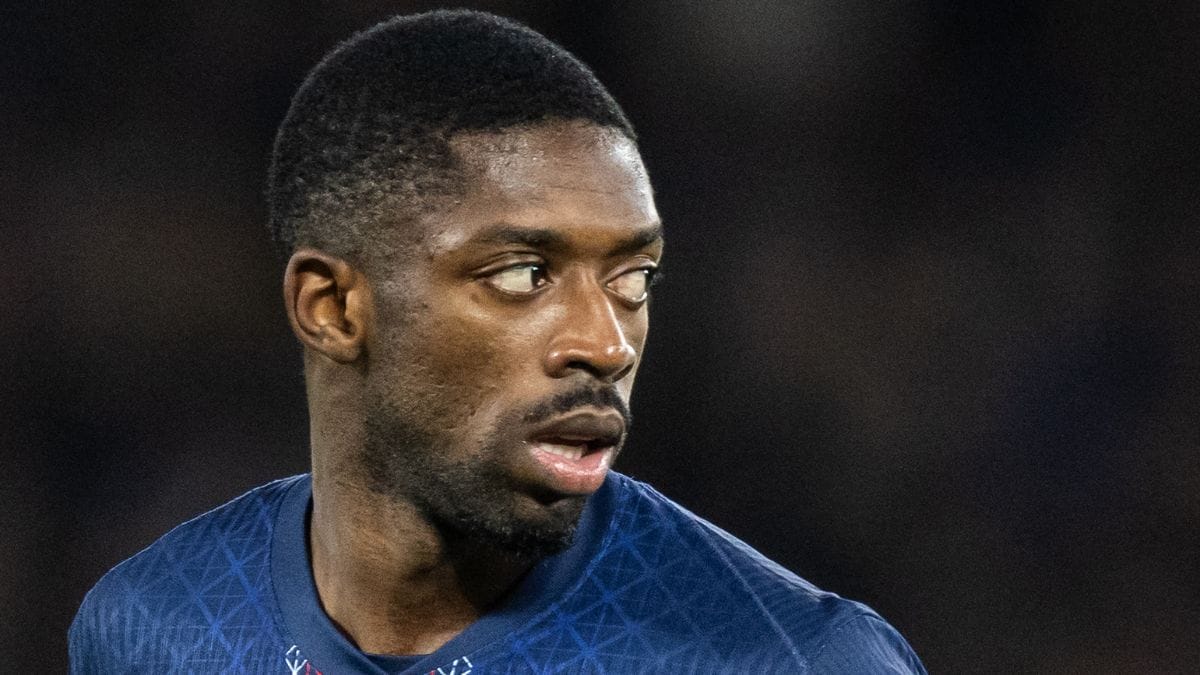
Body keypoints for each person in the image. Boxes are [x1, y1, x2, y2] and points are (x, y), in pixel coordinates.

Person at [69, 10, 925, 674]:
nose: (606, 343)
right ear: (331, 308)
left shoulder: (789, 656)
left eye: (633, 279)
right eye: (523, 274)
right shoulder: (146, 624)